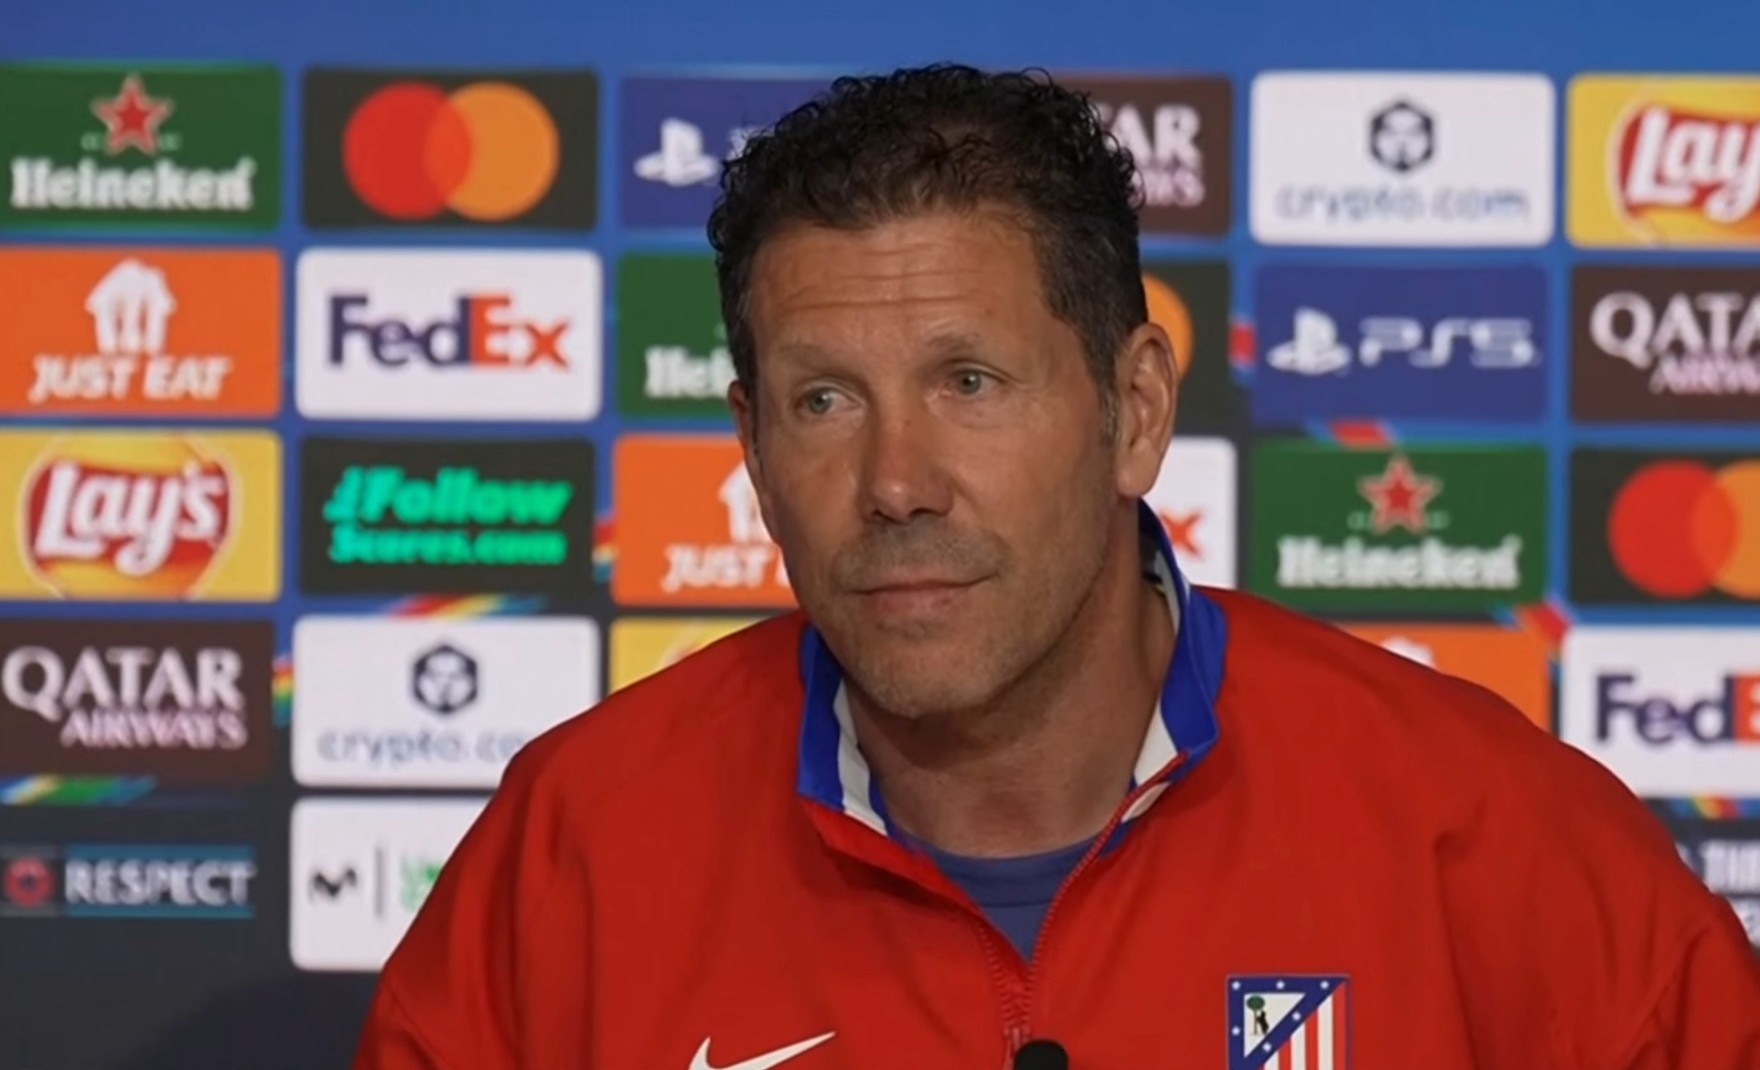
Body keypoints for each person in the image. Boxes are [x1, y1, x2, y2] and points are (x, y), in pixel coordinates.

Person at [352, 64, 1760, 1070]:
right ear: (754, 448)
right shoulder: (579, 851)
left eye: (968, 382)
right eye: (824, 400)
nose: (895, 482)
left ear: (1133, 410)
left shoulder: (1495, 839)